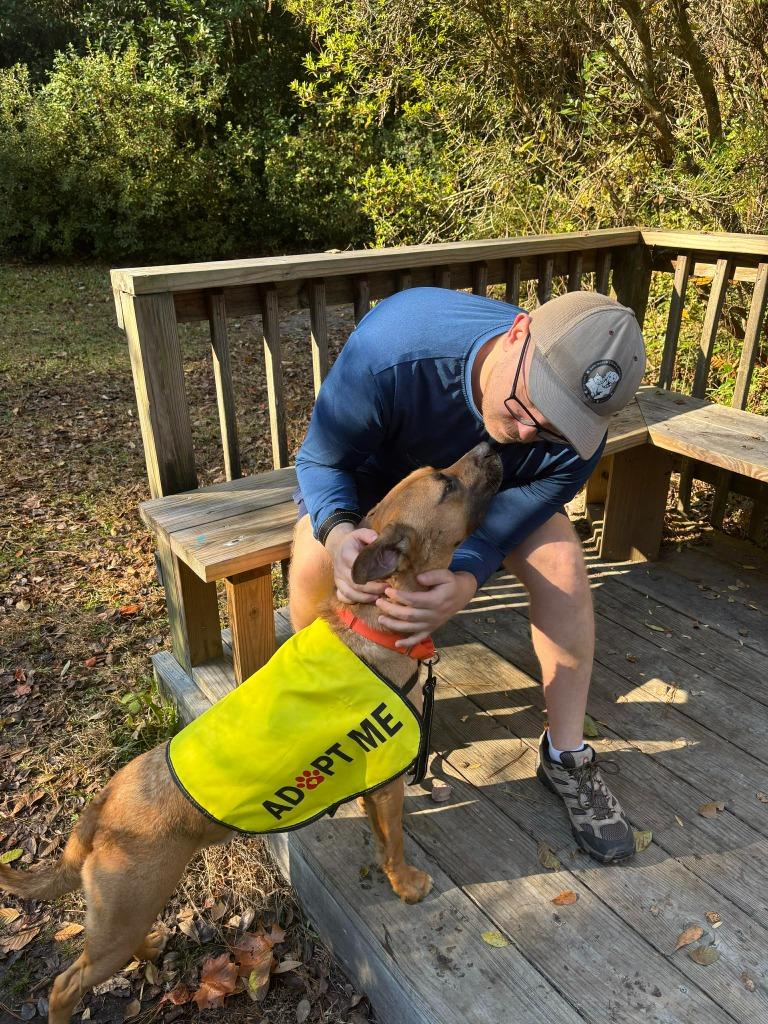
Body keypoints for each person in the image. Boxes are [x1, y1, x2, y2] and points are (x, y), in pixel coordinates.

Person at [289, 286, 646, 863]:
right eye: (533, 404)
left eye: (555, 427)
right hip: (372, 488)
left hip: (478, 499)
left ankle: (567, 756)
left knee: (564, 565)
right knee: (308, 557)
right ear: (516, 334)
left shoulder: (580, 428)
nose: (531, 432)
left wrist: (466, 578)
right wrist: (336, 531)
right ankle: (326, 721)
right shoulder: (394, 348)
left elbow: (521, 508)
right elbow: (322, 459)